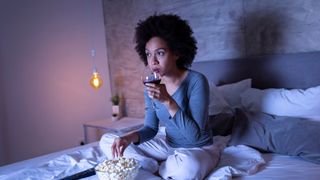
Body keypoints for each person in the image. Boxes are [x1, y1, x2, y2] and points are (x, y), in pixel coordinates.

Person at [100, 14, 220, 180]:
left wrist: (168, 101)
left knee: (189, 167)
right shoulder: (152, 84)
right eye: (148, 54)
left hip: (198, 149)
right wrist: (128, 138)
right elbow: (150, 128)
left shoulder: (196, 81)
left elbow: (195, 137)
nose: (153, 61)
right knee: (108, 140)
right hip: (170, 146)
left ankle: (148, 168)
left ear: (176, 52)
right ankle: (150, 165)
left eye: (160, 53)